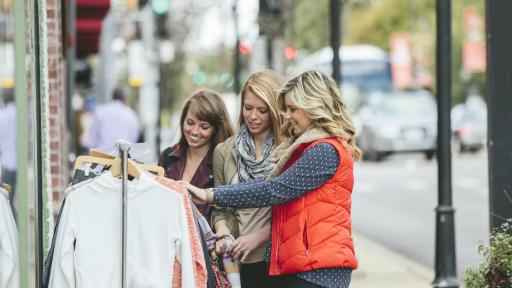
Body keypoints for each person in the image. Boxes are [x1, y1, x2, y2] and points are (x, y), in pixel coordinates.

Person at [182, 70, 362, 288]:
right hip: (303, 265)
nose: (287, 115)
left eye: (293, 109)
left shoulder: (324, 150)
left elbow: (273, 190)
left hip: (318, 271)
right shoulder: (304, 148)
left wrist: (210, 194)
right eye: (285, 109)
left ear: (313, 106)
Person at [211, 70, 283, 288]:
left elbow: (295, 211)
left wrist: (260, 237)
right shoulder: (225, 151)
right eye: (248, 108)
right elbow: (219, 206)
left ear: (274, 110)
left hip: (278, 256)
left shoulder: (288, 149)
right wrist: (222, 232)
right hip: (238, 260)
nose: (253, 116)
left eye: (262, 110)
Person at [158, 89, 234, 221]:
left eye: (204, 127)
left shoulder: (224, 162)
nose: (194, 131)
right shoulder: (168, 156)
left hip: (206, 240)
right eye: (190, 122)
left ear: (216, 129)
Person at [0, 88, 17, 217]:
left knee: (7, 200)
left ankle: (14, 229)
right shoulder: (20, 114)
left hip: (9, 163)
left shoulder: (3, 115)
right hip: (19, 163)